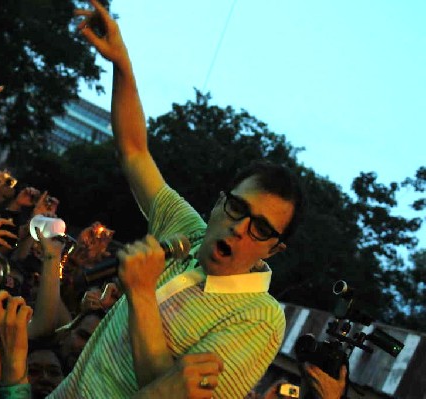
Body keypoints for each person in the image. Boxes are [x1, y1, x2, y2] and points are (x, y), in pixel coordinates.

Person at [47, 1, 304, 397]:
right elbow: (134, 151)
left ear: (274, 249)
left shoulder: (259, 318)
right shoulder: (188, 232)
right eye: (237, 208)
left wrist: (143, 295)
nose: (239, 228)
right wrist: (123, 64)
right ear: (220, 203)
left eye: (262, 228)